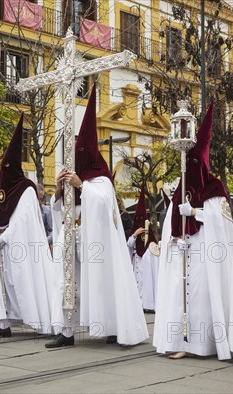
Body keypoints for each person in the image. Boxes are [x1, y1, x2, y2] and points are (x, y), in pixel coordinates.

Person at [46, 85, 148, 348]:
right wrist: (58, 191)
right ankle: (65, 331)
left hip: (95, 239)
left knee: (102, 281)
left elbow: (104, 202)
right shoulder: (75, 176)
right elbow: (57, 209)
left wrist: (82, 185)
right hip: (70, 233)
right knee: (65, 280)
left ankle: (112, 326)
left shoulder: (100, 176)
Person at [153, 105, 233, 360]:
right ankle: (180, 342)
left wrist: (195, 213)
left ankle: (203, 344)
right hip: (183, 251)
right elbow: (169, 224)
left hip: (204, 252)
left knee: (201, 295)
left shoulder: (215, 188)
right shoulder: (181, 187)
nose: (192, 167)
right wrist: (175, 239)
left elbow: (223, 223)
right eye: (190, 163)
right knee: (179, 296)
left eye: (196, 163)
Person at [0, 115, 53, 338]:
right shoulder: (2, 190)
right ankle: (3, 324)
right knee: (3, 285)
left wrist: (5, 237)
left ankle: (38, 319)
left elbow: (23, 219)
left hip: (19, 246)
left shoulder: (26, 189)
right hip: (2, 247)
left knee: (18, 282)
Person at [126, 184, 159, 312]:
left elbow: (153, 247)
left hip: (145, 261)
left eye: (142, 218)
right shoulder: (133, 231)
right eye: (138, 218)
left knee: (146, 282)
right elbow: (129, 244)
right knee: (136, 282)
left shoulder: (149, 232)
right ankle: (137, 304)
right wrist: (135, 234)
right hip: (136, 261)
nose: (140, 221)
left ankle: (148, 304)